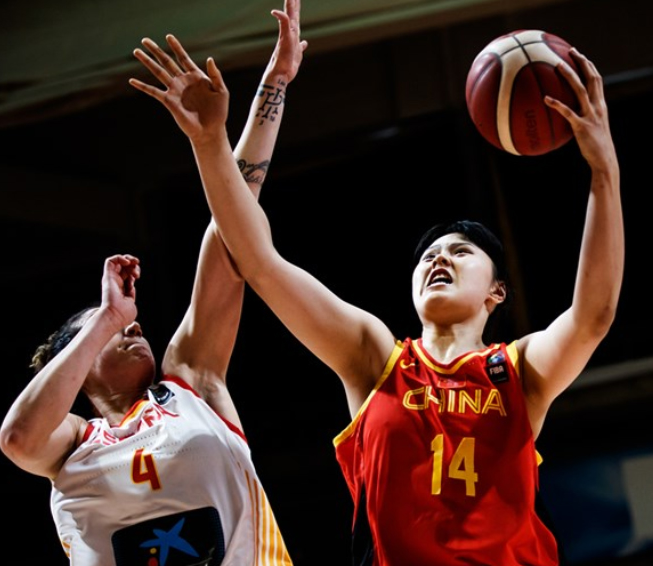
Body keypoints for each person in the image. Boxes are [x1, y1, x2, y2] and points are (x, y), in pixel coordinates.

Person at [133, 8, 624, 564]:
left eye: (461, 252)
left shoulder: (518, 372)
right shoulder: (375, 358)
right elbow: (257, 260)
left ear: (497, 292)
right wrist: (214, 139)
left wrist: (603, 170)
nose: (439, 259)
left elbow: (593, 316)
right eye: (429, 256)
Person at [0, 3, 307, 565]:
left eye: (129, 323)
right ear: (76, 362)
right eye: (109, 329)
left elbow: (229, 236)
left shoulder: (191, 383)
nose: (133, 325)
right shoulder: (68, 445)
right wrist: (105, 319)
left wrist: (262, 97)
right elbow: (17, 439)